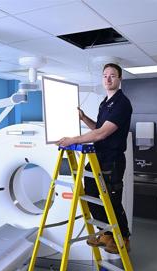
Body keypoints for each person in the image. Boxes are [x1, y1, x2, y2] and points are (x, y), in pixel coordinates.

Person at [56, 63, 132, 254]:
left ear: (119, 79)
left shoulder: (122, 103)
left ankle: (123, 237)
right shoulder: (104, 103)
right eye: (105, 75)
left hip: (112, 161)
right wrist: (83, 118)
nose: (108, 79)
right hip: (98, 158)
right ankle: (105, 232)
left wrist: (72, 139)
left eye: (112, 76)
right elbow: (97, 128)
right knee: (90, 194)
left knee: (112, 201)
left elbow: (102, 134)